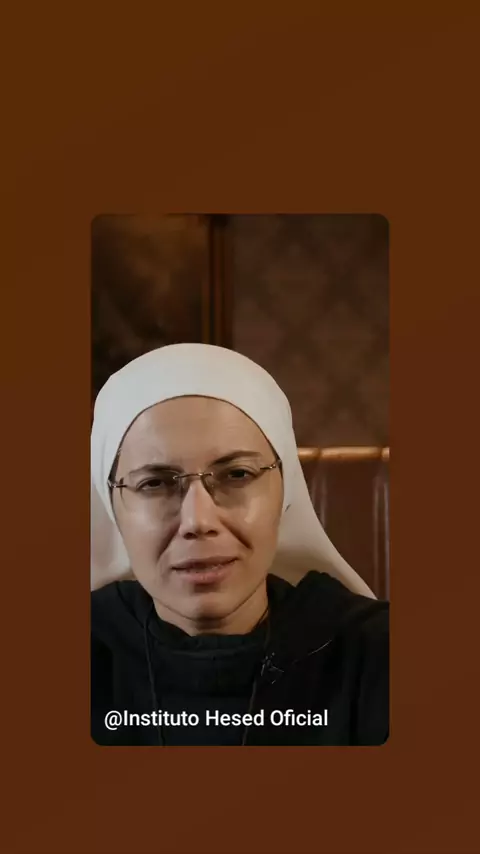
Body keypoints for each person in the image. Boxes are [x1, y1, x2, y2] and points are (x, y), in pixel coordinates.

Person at [91, 343, 389, 746]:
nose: (198, 522)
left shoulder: (377, 657)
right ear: (111, 505)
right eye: (155, 483)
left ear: (285, 491)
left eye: (236, 475)